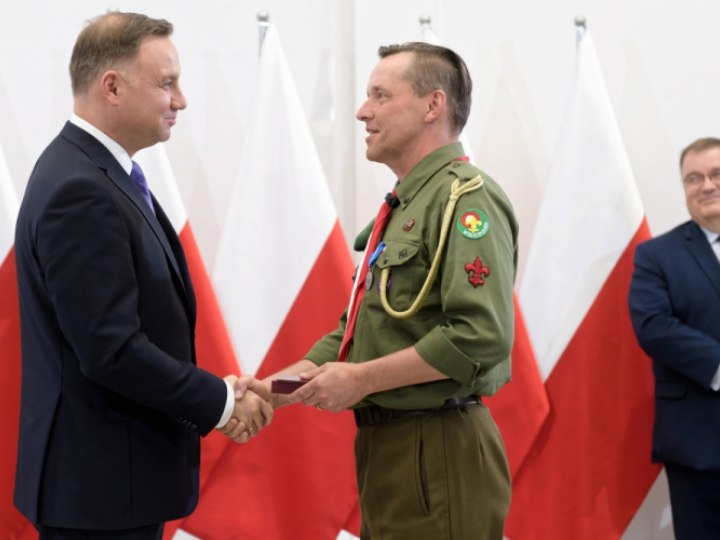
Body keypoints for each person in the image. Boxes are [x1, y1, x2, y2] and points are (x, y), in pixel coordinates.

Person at [233, 42, 516, 539]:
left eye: (381, 96)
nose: (363, 111)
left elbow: (479, 336)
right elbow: (351, 338)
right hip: (389, 447)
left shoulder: (466, 200)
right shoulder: (405, 205)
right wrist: (272, 391)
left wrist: (362, 380)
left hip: (440, 447)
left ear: (433, 105)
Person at [14, 12, 271, 540]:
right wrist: (220, 403)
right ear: (112, 86)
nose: (180, 101)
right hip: (99, 497)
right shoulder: (80, 190)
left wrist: (217, 389)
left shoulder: (94, 171)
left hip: (110, 487)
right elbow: (111, 350)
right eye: (167, 83)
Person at [629, 138, 720, 540]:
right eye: (694, 178)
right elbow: (653, 326)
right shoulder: (656, 255)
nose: (706, 185)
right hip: (697, 442)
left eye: (716, 174)